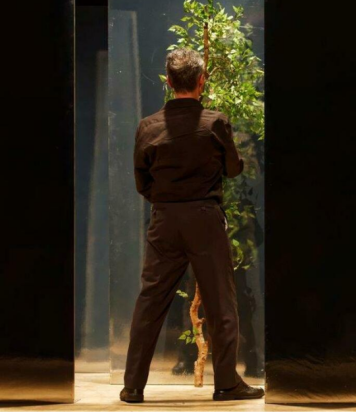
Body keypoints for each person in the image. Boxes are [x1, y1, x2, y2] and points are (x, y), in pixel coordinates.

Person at [120, 48, 264, 403]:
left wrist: (168, 200)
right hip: (204, 218)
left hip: (164, 219)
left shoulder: (147, 126)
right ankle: (226, 384)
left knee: (150, 301)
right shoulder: (215, 122)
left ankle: (133, 386)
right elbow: (233, 169)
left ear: (169, 82)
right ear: (202, 80)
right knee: (220, 302)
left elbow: (142, 183)